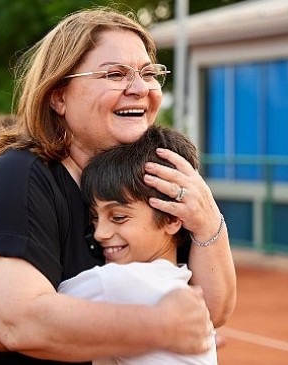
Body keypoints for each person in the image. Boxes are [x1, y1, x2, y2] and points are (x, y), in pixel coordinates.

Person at [0, 7, 236, 364]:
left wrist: (208, 220)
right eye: (115, 74)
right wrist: (159, 326)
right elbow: (21, 323)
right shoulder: (19, 176)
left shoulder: (153, 172)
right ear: (59, 96)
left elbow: (209, 314)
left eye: (148, 73)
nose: (139, 88)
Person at [59, 125, 217, 364]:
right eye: (94, 217)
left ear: (173, 218)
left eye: (119, 217)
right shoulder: (178, 279)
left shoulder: (120, 281)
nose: (100, 233)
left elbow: (25, 318)